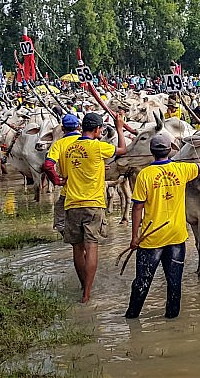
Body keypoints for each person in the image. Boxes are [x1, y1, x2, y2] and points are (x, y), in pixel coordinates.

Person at [124, 128, 200, 319]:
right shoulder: (181, 169)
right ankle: (172, 320)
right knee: (174, 282)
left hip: (151, 239)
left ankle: (132, 319)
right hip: (176, 237)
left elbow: (137, 208)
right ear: (170, 150)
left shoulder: (145, 175)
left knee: (142, 282)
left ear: (151, 151)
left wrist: (134, 237)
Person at [59, 111, 127, 303]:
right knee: (92, 246)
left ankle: (83, 285)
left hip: (72, 203)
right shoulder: (98, 147)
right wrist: (120, 127)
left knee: (77, 248)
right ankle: (87, 293)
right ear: (97, 129)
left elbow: (65, 175)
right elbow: (122, 149)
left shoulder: (69, 148)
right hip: (94, 204)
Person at [43, 113, 82, 235]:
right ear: (79, 127)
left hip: (69, 192)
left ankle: (73, 241)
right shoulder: (92, 143)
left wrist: (57, 181)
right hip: (92, 195)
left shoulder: (59, 144)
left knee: (60, 222)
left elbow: (48, 166)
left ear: (63, 129)